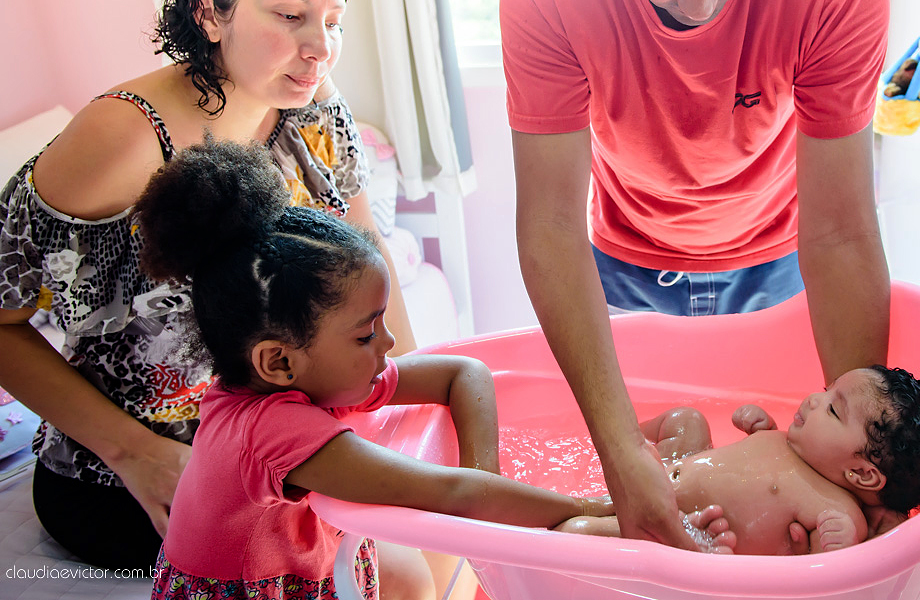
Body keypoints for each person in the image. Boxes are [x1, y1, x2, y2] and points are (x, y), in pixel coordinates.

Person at [0, 0, 427, 582]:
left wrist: (397, 405)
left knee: (419, 563)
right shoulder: (125, 136)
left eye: (332, 21)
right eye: (290, 16)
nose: (319, 46)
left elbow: (365, 251)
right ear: (209, 12)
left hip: (292, 443)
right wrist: (135, 451)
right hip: (146, 478)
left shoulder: (312, 104)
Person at [499, 0, 891, 548]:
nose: (704, 7)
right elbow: (549, 222)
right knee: (624, 495)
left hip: (777, 257)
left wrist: (864, 468)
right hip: (619, 261)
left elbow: (840, 228)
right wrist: (620, 453)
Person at [132, 138, 609, 600]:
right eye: (365, 335)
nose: (389, 342)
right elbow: (454, 494)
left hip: (297, 567)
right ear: (278, 360)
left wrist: (485, 475)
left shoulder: (317, 377)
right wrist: (598, 511)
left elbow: (465, 373)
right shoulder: (272, 431)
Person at [557, 366, 920, 555]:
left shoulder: (838, 514)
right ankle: (608, 450)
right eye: (826, 389)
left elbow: (830, 581)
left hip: (685, 527)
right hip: (674, 470)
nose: (814, 400)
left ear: (862, 473)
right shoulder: (801, 446)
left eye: (833, 411)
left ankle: (576, 517)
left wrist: (836, 547)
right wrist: (763, 430)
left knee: (575, 532)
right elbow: (753, 467)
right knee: (686, 419)